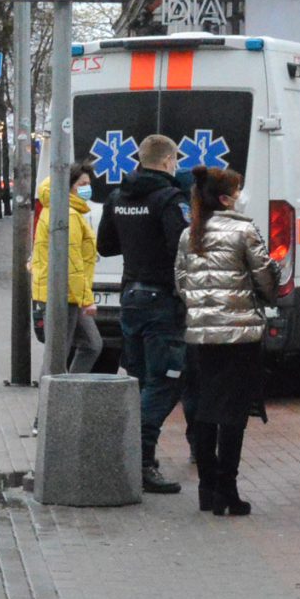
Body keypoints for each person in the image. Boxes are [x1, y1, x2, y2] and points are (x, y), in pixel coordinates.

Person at [176, 165, 279, 516]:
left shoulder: (189, 233)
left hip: (201, 334)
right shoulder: (244, 230)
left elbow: (181, 282)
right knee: (233, 413)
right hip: (240, 334)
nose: (240, 196)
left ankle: (207, 489)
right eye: (236, 191)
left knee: (206, 408)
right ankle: (227, 490)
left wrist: (202, 309)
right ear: (224, 198)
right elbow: (266, 279)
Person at [97, 132, 190, 495]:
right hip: (161, 299)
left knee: (137, 379)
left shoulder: (118, 196)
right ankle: (140, 456)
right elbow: (181, 247)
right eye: (175, 161)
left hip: (131, 296)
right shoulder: (169, 198)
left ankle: (130, 453)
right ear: (168, 161)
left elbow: (106, 245)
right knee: (165, 381)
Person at [31, 161, 102, 374]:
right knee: (58, 354)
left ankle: (70, 388)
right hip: (64, 293)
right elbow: (72, 262)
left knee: (91, 344)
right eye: (82, 184)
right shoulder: (68, 214)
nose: (87, 188)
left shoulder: (61, 209)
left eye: (88, 184)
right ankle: (53, 393)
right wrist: (86, 299)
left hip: (68, 293)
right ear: (68, 186)